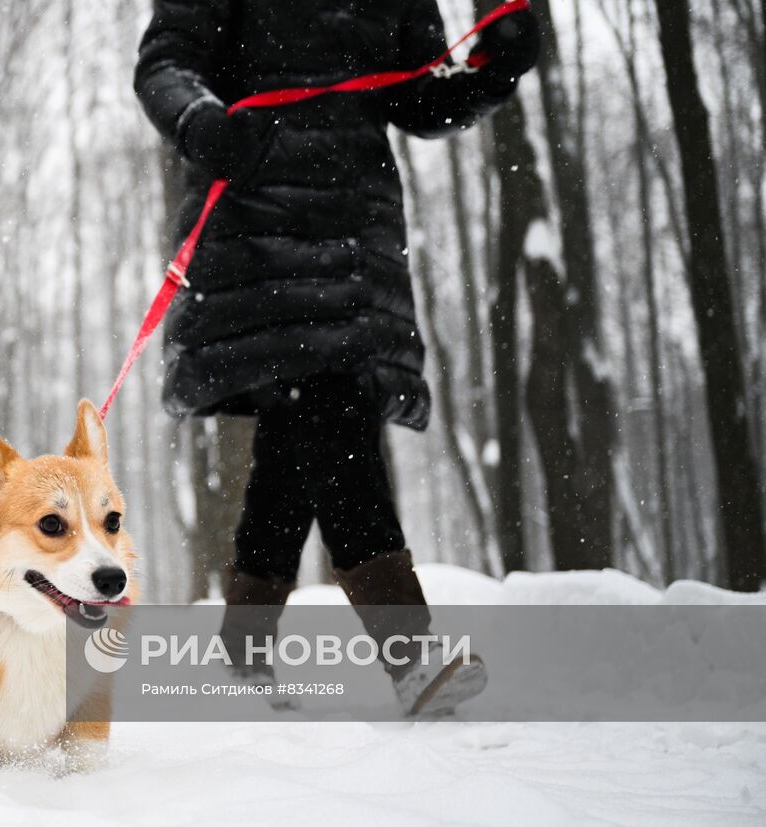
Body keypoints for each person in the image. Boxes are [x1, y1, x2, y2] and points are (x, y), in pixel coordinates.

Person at [134, 0, 540, 715]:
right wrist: (202, 122)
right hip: (255, 227)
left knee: (299, 440)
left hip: (357, 238)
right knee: (329, 412)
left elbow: (414, 95)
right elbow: (166, 63)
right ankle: (410, 654)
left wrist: (492, 70)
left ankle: (242, 651)